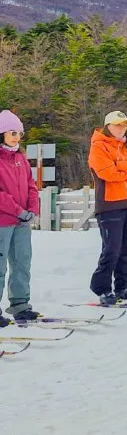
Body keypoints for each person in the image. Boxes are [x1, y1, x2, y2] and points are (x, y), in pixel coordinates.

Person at [88, 111, 127, 305]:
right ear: (108, 126)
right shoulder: (98, 147)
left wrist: (122, 164)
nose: (121, 128)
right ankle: (101, 287)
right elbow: (108, 174)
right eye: (117, 124)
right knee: (111, 249)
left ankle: (122, 286)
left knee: (126, 248)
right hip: (109, 205)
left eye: (124, 125)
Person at [0, 110, 40, 325]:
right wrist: (18, 210)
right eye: (12, 132)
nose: (16, 137)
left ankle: (20, 304)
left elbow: (31, 186)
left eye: (19, 133)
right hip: (3, 222)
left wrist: (33, 208)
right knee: (0, 267)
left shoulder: (20, 159)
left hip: (22, 223)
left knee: (22, 263)